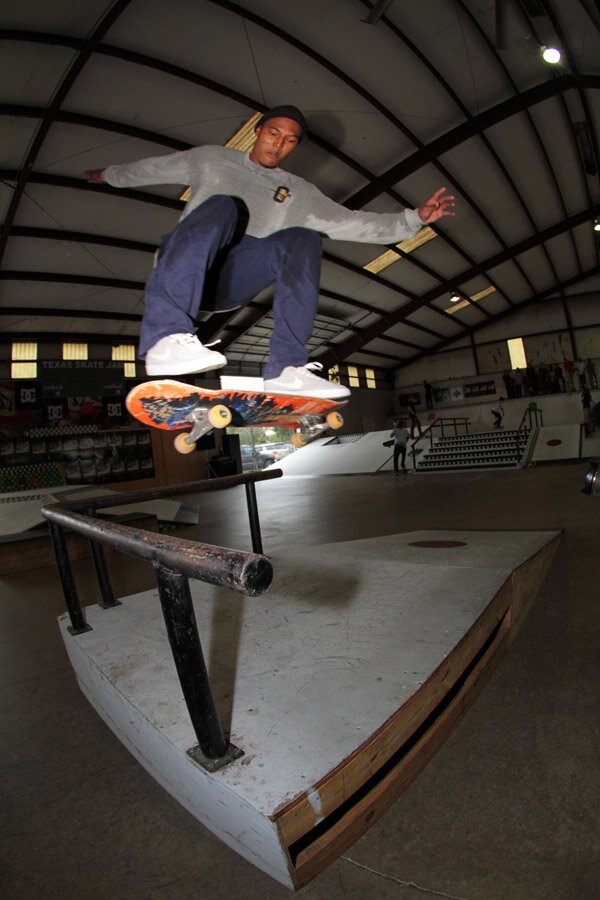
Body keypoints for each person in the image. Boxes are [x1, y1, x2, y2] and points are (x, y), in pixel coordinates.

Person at [84, 105, 455, 399]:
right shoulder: (211, 158)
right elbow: (150, 169)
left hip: (231, 282)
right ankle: (166, 337)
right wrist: (108, 174)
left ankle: (285, 370)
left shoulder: (299, 191)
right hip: (187, 262)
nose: (278, 145)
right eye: (273, 133)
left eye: (289, 140)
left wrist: (412, 219)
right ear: (258, 131)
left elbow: (353, 222)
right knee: (224, 206)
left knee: (305, 238)